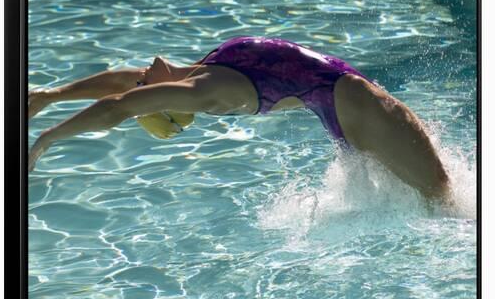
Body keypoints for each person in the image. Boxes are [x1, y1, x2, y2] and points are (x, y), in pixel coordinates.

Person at [28, 35, 451, 203]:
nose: (140, 77)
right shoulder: (206, 92)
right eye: (146, 90)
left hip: (345, 107)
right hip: (357, 107)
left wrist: (51, 96)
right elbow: (118, 105)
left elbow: (121, 86)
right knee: (443, 199)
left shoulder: (196, 71)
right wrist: (46, 140)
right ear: (164, 101)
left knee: (432, 195)